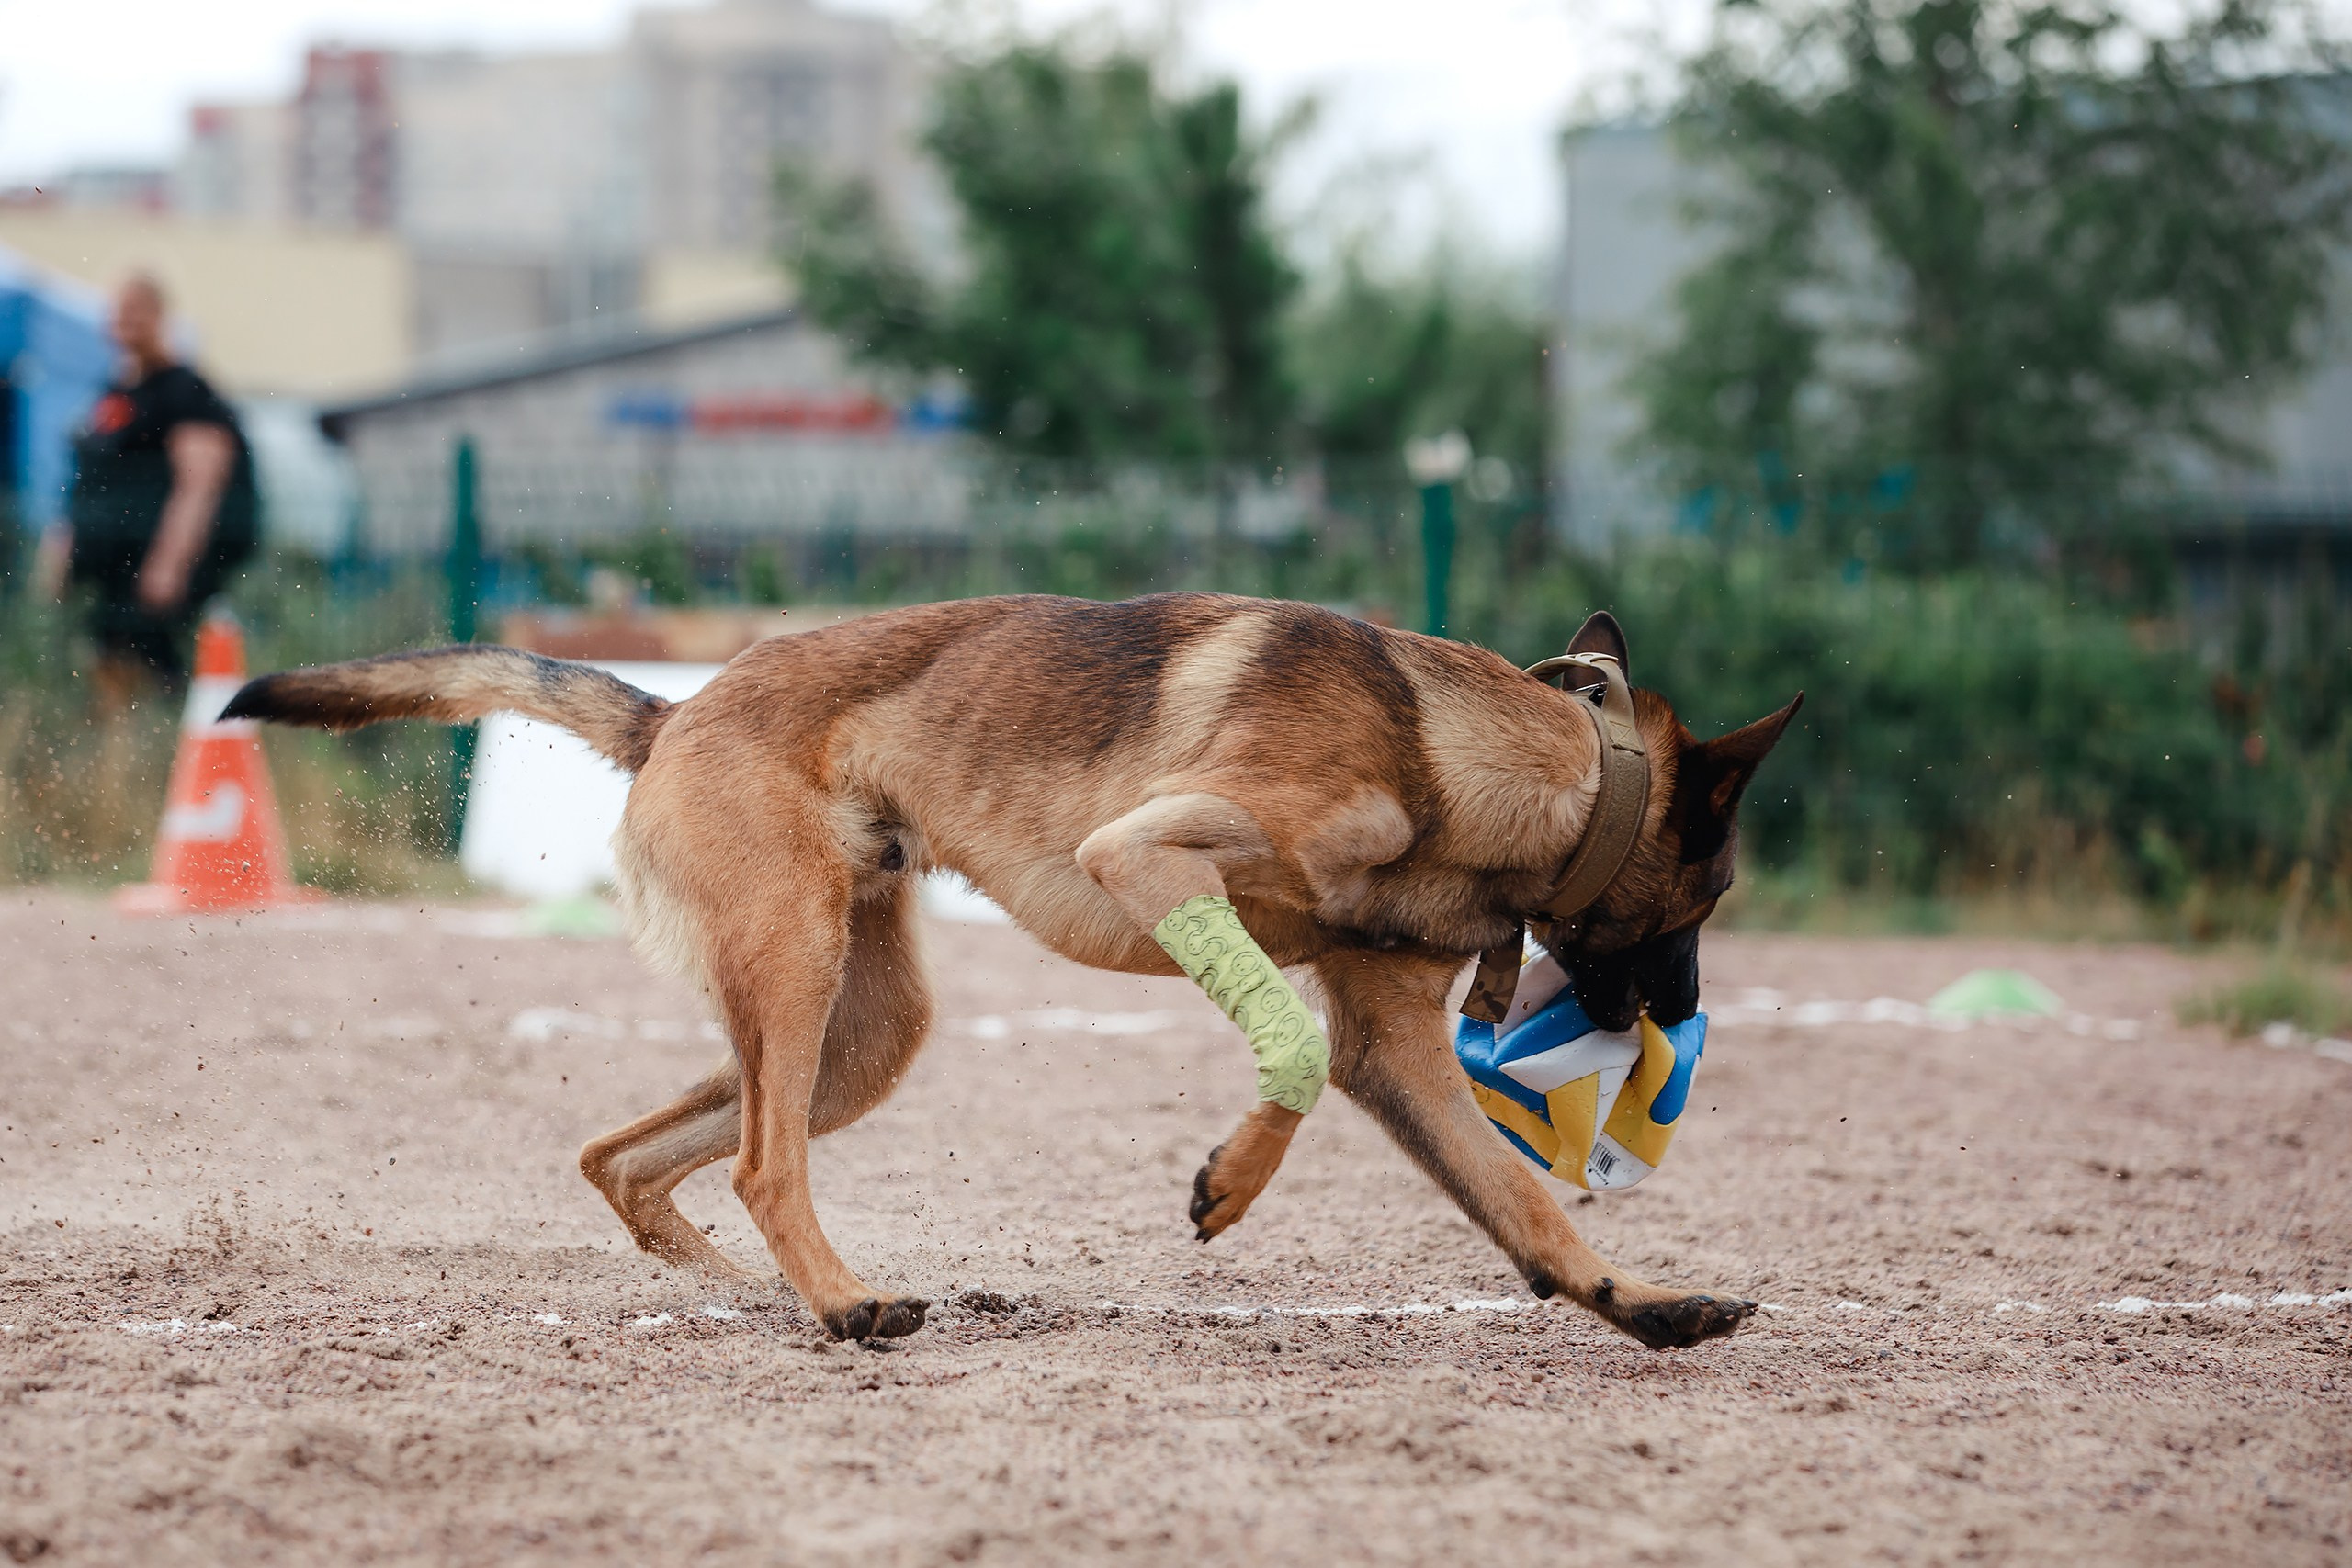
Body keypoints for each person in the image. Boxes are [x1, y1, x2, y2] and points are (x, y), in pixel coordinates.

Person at [58, 274, 259, 705]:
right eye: (119, 311)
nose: (126, 321)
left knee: (157, 666)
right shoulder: (113, 392)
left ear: (160, 317)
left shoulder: (185, 390)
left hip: (154, 565)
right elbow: (88, 477)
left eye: (137, 311)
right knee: (103, 663)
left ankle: (171, 755)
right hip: (108, 565)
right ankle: (118, 757)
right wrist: (62, 548)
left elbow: (200, 484)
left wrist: (169, 564)